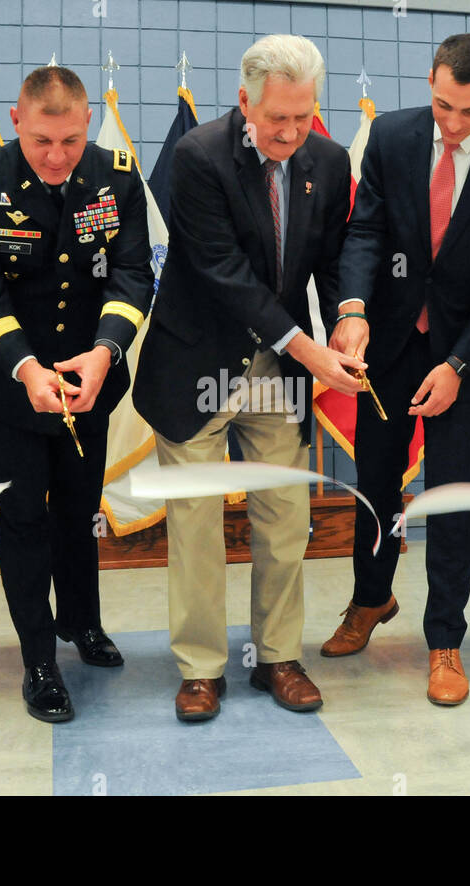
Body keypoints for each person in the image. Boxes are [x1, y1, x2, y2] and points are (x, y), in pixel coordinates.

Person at [133, 34, 361, 722]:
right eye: (277, 119)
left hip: (277, 373)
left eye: (304, 115)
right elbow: (220, 271)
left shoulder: (329, 157)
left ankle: (278, 658)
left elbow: (335, 256)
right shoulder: (197, 156)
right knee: (198, 525)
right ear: (244, 102)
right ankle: (201, 670)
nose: (292, 132)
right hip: (198, 362)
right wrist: (312, 351)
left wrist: (349, 313)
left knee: (285, 520)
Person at [326, 34, 470, 706]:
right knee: (373, 483)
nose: (453, 125)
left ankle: (445, 640)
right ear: (431, 82)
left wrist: (457, 362)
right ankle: (370, 599)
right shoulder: (390, 137)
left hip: (463, 354)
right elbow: (363, 231)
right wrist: (354, 308)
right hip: (386, 345)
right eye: (445, 105)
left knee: (451, 494)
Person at [0, 65, 153, 723]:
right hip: (11, 392)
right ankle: (39, 659)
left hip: (89, 384)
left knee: (78, 509)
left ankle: (82, 624)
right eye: (42, 141)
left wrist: (103, 353)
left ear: (87, 123)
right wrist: (26, 368)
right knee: (25, 522)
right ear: (17, 121)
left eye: (70, 140)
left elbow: (132, 275)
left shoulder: (117, 176)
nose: (58, 156)